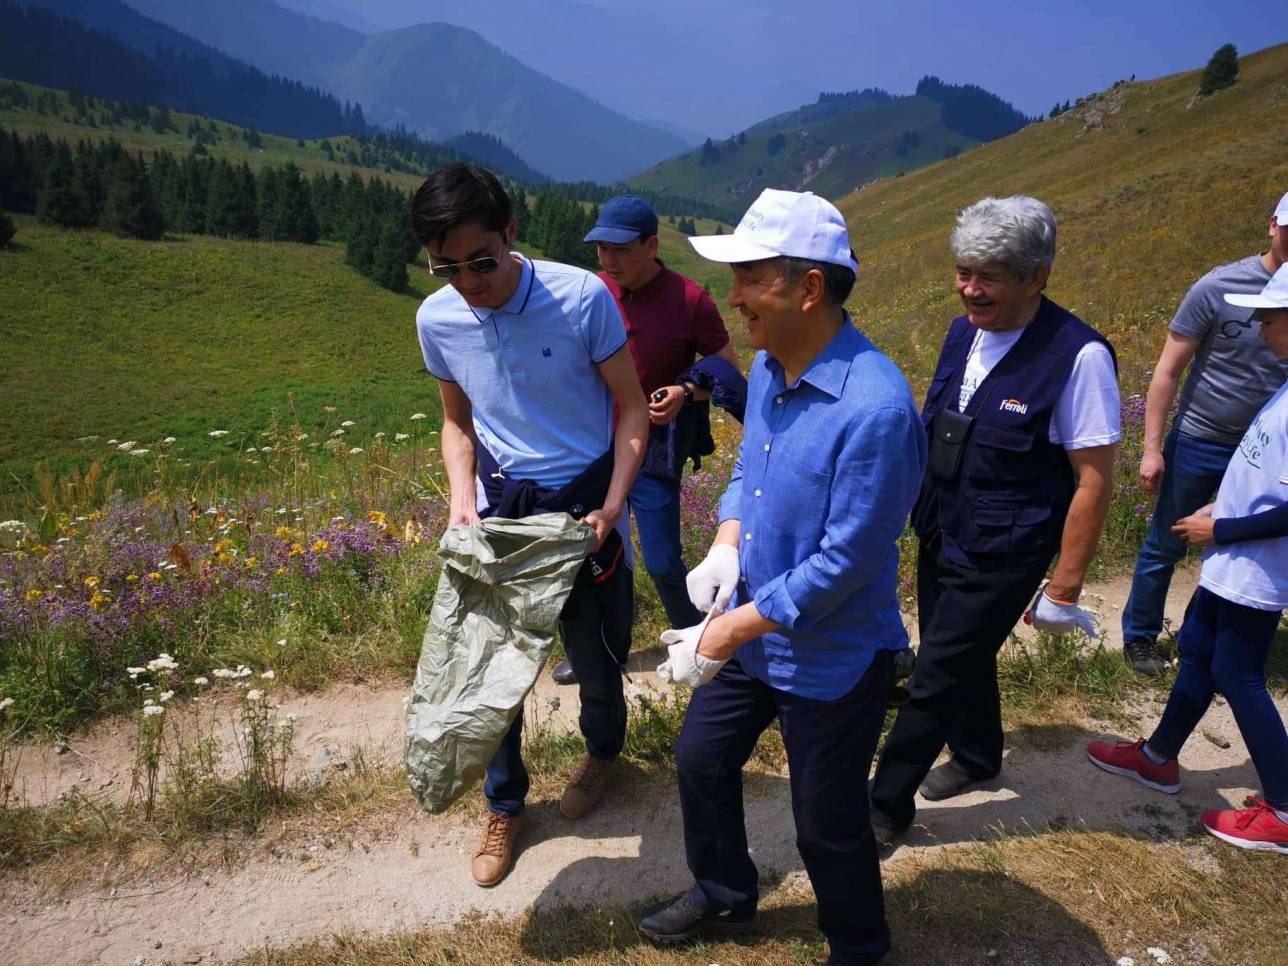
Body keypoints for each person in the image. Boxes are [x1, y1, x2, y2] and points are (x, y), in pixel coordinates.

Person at [635, 189, 926, 965]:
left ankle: (860, 945)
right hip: (758, 631)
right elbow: (748, 473)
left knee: (825, 822)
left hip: (831, 653)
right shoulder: (768, 366)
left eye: (750, 277)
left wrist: (726, 628)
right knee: (700, 759)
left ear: (809, 288)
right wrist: (727, 540)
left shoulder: (876, 410)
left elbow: (849, 562)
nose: (731, 298)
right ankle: (727, 894)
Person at [411, 164, 649, 887]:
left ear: (512, 235)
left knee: (597, 659)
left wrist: (612, 506)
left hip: (583, 507)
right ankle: (504, 805)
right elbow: (457, 423)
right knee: (492, 671)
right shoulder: (437, 318)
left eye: (480, 261)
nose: (467, 281)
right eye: (445, 267)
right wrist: (460, 500)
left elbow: (631, 408)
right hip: (502, 511)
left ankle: (603, 754)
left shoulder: (581, 298)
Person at [869, 196, 1121, 844]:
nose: (969, 289)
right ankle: (978, 756)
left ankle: (883, 804)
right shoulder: (964, 331)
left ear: (1037, 275)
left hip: (1007, 548)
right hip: (944, 527)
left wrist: (1064, 584)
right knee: (964, 656)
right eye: (963, 271)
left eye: (989, 276)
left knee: (935, 671)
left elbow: (1093, 480)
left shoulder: (1079, 357)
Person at [1088, 263, 1288, 854]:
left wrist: (1221, 526)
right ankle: (1157, 757)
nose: (1262, 332)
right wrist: (1224, 505)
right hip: (1235, 560)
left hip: (1257, 567)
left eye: (1272, 321)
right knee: (1199, 649)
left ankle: (1282, 806)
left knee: (1237, 673)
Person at [550, 196, 741, 686]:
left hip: (654, 447)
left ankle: (694, 640)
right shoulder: (592, 293)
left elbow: (725, 360)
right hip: (593, 444)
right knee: (590, 556)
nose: (608, 261)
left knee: (659, 557)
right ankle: (597, 652)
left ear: (652, 245)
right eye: (601, 250)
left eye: (619, 250)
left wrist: (687, 390)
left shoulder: (689, 299)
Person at [1120, 190, 1288, 675]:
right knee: (1167, 542)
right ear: (1272, 225)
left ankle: (1204, 637)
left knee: (1241, 543)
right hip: (1201, 438)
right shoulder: (1219, 286)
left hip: (1266, 453)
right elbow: (1169, 369)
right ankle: (1140, 639)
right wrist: (1152, 449)